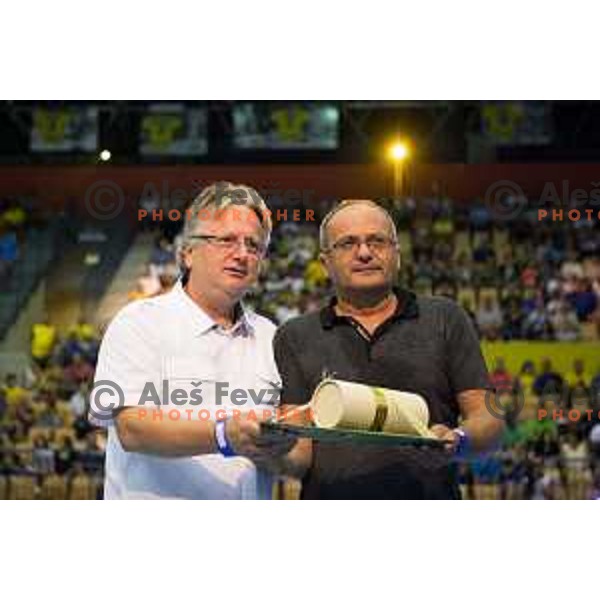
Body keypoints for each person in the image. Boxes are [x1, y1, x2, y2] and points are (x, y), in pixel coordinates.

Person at [90, 182, 308, 499]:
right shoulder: (138, 323)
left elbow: (299, 460)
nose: (242, 254)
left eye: (254, 245)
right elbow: (132, 429)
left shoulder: (271, 338)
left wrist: (273, 448)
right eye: (227, 240)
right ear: (188, 253)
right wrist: (223, 435)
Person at [273, 199, 503, 499]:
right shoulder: (294, 336)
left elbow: (491, 420)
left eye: (377, 241)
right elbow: (299, 455)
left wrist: (457, 440)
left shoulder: (445, 318)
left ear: (397, 253)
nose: (365, 253)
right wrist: (270, 450)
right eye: (348, 243)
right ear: (325, 262)